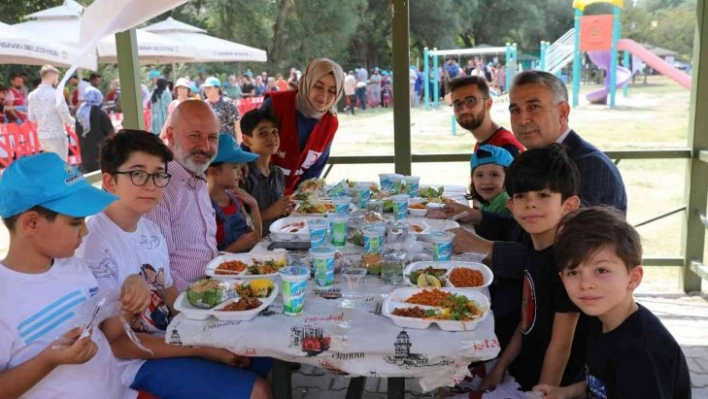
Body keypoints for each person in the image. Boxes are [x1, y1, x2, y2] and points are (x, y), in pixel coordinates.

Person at [76, 131, 272, 398]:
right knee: (256, 390)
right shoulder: (95, 244)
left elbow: (169, 295)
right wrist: (203, 349)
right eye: (138, 173)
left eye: (158, 174)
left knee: (261, 351)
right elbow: (120, 343)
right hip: (132, 365)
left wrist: (208, 333)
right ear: (109, 182)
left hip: (168, 338)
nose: (151, 184)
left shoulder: (150, 230)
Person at [0, 152, 150, 398]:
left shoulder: (74, 268)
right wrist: (49, 360)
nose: (85, 230)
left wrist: (133, 288)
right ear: (31, 223)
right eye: (75, 222)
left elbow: (105, 327)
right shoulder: (4, 299)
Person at [448, 145, 585, 398]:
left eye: (543, 196)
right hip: (518, 369)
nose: (531, 205)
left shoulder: (569, 267)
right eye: (522, 196)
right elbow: (527, 316)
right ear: (511, 206)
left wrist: (540, 394)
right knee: (445, 386)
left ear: (569, 205)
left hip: (544, 385)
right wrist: (500, 367)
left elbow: (561, 346)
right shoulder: (532, 250)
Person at [534, 207, 691, 399]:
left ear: (633, 278)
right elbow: (602, 382)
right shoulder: (600, 320)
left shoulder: (642, 353)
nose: (586, 285)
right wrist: (566, 393)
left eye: (601, 270)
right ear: (562, 277)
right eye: (573, 272)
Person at [146, 100, 220, 292]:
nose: (205, 147)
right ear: (171, 136)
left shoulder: (200, 178)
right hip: (186, 304)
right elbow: (159, 268)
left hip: (215, 288)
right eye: (195, 136)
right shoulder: (159, 189)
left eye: (212, 137)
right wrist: (197, 298)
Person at [255, 58, 344, 195]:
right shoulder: (276, 104)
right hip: (258, 192)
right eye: (318, 86)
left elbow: (315, 168)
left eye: (332, 91)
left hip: (292, 200)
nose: (324, 96)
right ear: (307, 82)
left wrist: (300, 200)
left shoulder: (330, 122)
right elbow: (251, 146)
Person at [240, 108, 295, 233]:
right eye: (263, 133)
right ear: (246, 140)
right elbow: (238, 224)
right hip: (253, 248)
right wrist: (271, 212)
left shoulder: (277, 174)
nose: (272, 137)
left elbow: (279, 213)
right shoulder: (242, 175)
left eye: (275, 132)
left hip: (278, 240)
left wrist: (286, 209)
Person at [207, 134, 262, 252]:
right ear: (213, 171)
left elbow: (256, 237)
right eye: (235, 167)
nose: (240, 172)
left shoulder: (235, 199)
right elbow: (208, 259)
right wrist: (238, 246)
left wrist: (254, 205)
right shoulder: (205, 206)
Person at [447, 76, 524, 157]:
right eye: (457, 104)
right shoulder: (482, 143)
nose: (463, 110)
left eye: (470, 101)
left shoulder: (507, 148)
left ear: (488, 104)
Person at [27, 65, 75, 161]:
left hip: (42, 136)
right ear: (52, 75)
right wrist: (75, 123)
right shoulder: (56, 94)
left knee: (50, 164)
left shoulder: (32, 95)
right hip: (57, 135)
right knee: (62, 163)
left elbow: (31, 117)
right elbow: (65, 115)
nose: (57, 79)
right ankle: (69, 176)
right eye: (56, 76)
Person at [76, 87, 114, 173]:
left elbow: (78, 131)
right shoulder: (100, 112)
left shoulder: (79, 113)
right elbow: (109, 131)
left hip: (85, 152)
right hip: (100, 152)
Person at [469, 145, 513, 217]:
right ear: (472, 178)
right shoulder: (490, 201)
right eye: (480, 175)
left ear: (509, 177)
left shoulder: (503, 204)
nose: (486, 181)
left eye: (494, 175)